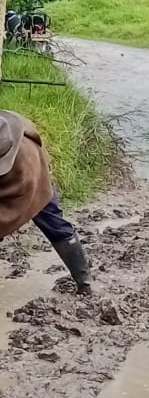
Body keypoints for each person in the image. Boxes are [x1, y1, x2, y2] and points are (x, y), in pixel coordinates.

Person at [0, 110, 92, 294]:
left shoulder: (25, 164)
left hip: (31, 178)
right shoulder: (10, 127)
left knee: (53, 221)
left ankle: (84, 282)